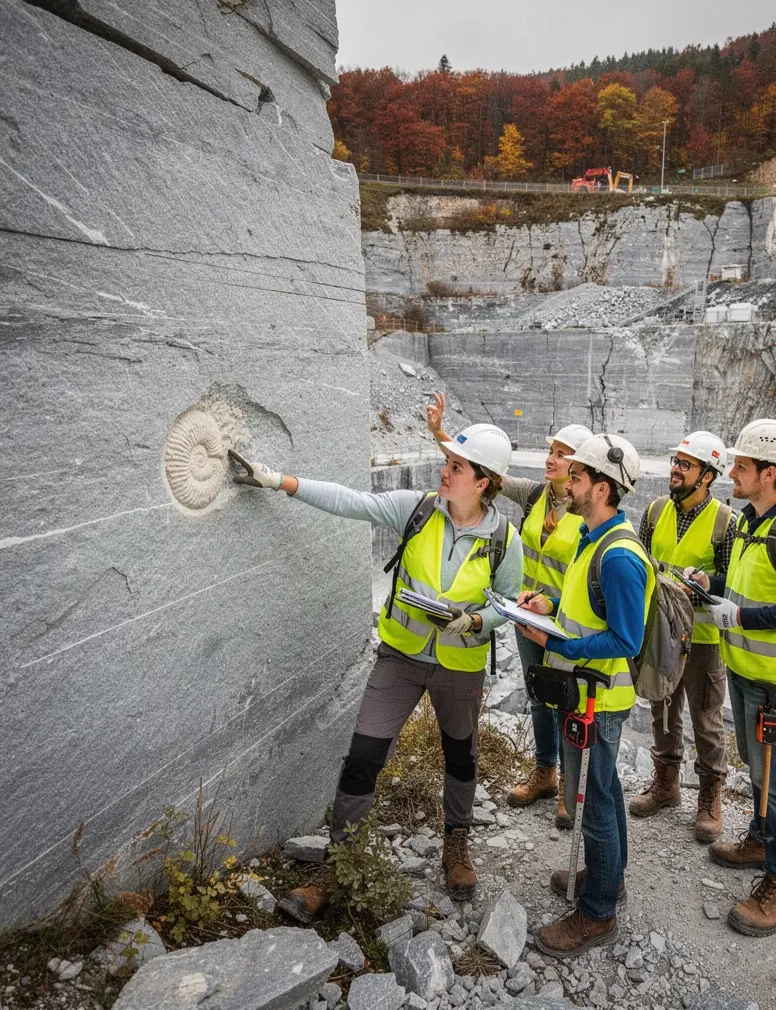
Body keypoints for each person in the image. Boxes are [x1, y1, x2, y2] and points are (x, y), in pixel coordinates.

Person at [229, 424, 524, 919]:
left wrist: (474, 621)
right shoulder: (418, 509)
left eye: (456, 467)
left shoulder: (503, 540)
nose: (444, 471)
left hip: (460, 667)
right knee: (363, 756)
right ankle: (339, 865)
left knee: (461, 758)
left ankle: (456, 847)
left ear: (483, 482)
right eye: (447, 462)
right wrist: (277, 479)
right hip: (400, 659)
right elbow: (352, 502)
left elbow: (507, 602)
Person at [684, 418, 776, 937]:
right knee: (757, 766)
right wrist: (713, 581)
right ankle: (761, 841)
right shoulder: (752, 522)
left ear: (770, 473)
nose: (732, 474)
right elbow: (749, 584)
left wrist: (741, 618)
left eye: (741, 466)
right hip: (747, 670)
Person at [516, 434, 654, 958]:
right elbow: (584, 608)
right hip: (583, 693)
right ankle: (607, 878)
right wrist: (548, 606)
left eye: (576, 477)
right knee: (606, 791)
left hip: (598, 700)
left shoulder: (618, 556)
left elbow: (626, 639)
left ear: (602, 488)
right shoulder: (592, 538)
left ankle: (597, 913)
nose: (567, 484)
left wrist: (555, 642)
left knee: (593, 802)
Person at [426, 393, 591, 829]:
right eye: (551, 451)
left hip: (564, 621)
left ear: (581, 465)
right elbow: (479, 468)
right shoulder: (534, 494)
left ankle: (570, 785)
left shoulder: (588, 509)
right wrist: (441, 433)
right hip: (526, 616)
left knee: (568, 701)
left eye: (561, 454)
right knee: (539, 694)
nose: (550, 459)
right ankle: (545, 772)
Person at [631, 431, 736, 843]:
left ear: (707, 475)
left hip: (703, 639)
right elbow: (641, 563)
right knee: (662, 708)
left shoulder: (726, 522)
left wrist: (709, 582)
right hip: (662, 633)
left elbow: (733, 582)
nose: (675, 469)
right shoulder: (656, 511)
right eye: (676, 461)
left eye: (685, 465)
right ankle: (666, 783)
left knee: (706, 719)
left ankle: (710, 797)